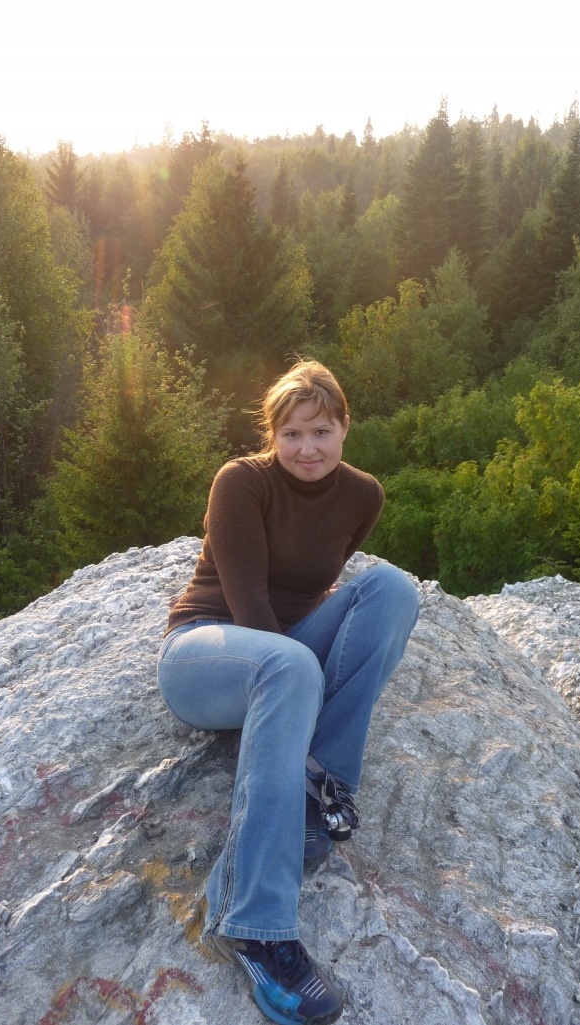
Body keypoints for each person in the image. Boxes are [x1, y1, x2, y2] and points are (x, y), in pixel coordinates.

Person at [157, 360, 419, 1025]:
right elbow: (248, 605)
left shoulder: (363, 495)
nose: (307, 448)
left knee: (393, 589)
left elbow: (318, 585)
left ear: (345, 428)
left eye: (321, 431)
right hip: (207, 652)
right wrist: (298, 673)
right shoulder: (242, 482)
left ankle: (316, 791)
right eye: (292, 433)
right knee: (292, 666)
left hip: (288, 652)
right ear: (272, 435)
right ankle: (256, 925)